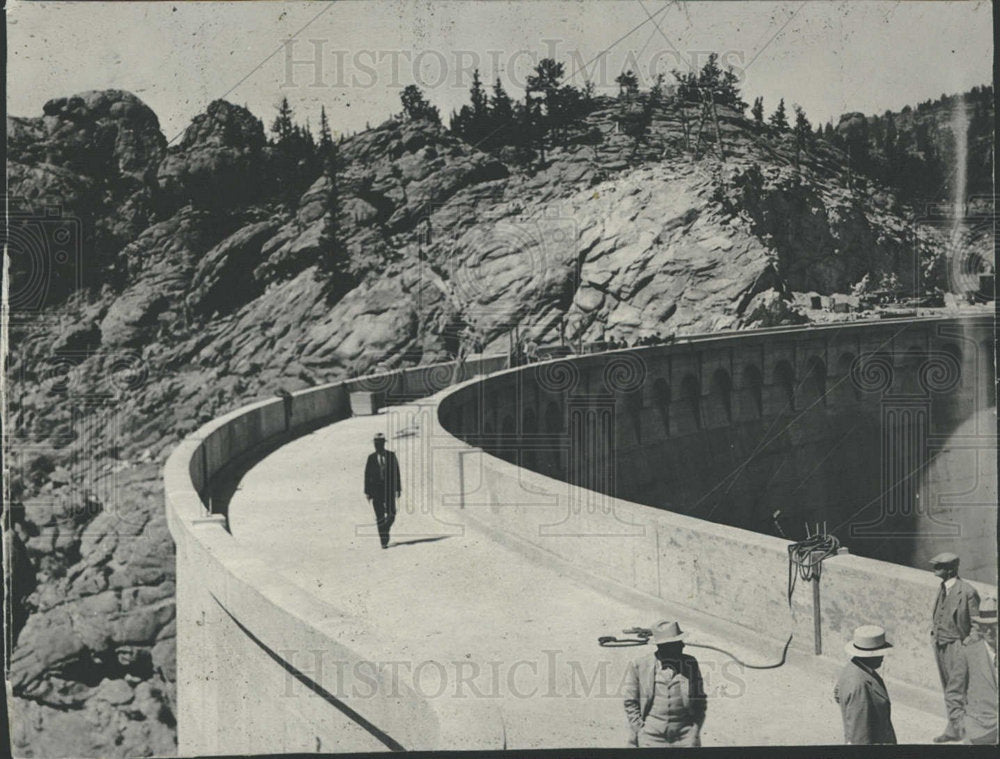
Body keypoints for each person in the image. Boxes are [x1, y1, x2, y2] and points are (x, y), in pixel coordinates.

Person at [623, 620, 706, 747]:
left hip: (684, 737)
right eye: (678, 643)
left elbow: (700, 699)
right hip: (651, 737)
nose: (683, 646)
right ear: (664, 646)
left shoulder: (690, 663)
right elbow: (630, 701)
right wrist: (640, 730)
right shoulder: (640, 665)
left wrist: (695, 729)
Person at [929, 551, 981, 742]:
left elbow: (977, 624)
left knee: (955, 692)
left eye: (939, 567)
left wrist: (967, 645)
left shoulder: (967, 591)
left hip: (958, 646)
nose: (935, 569)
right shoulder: (942, 587)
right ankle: (955, 728)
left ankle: (962, 732)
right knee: (948, 689)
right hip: (941, 645)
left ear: (951, 569)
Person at [834, 624, 896, 744]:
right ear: (869, 656)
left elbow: (837, 694)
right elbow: (860, 737)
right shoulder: (860, 685)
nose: (883, 657)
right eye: (880, 653)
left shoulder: (852, 668)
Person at [960, 596, 998, 745]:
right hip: (979, 733)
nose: (988, 631)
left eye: (994, 625)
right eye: (983, 626)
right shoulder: (969, 653)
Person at [364, 433, 401, 549]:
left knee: (392, 514)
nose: (377, 446)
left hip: (389, 490)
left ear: (383, 443)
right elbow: (367, 475)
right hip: (376, 491)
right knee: (380, 516)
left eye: (379, 443)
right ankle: (383, 541)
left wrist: (398, 489)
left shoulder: (391, 456)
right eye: (376, 443)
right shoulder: (371, 458)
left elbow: (396, 473)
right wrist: (367, 492)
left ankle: (385, 528)